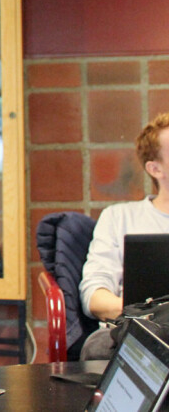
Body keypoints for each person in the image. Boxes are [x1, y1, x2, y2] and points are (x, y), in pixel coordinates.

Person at [79, 112, 169, 360]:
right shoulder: (119, 218)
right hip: (138, 333)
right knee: (97, 346)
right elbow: (95, 297)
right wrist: (152, 315)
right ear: (155, 168)